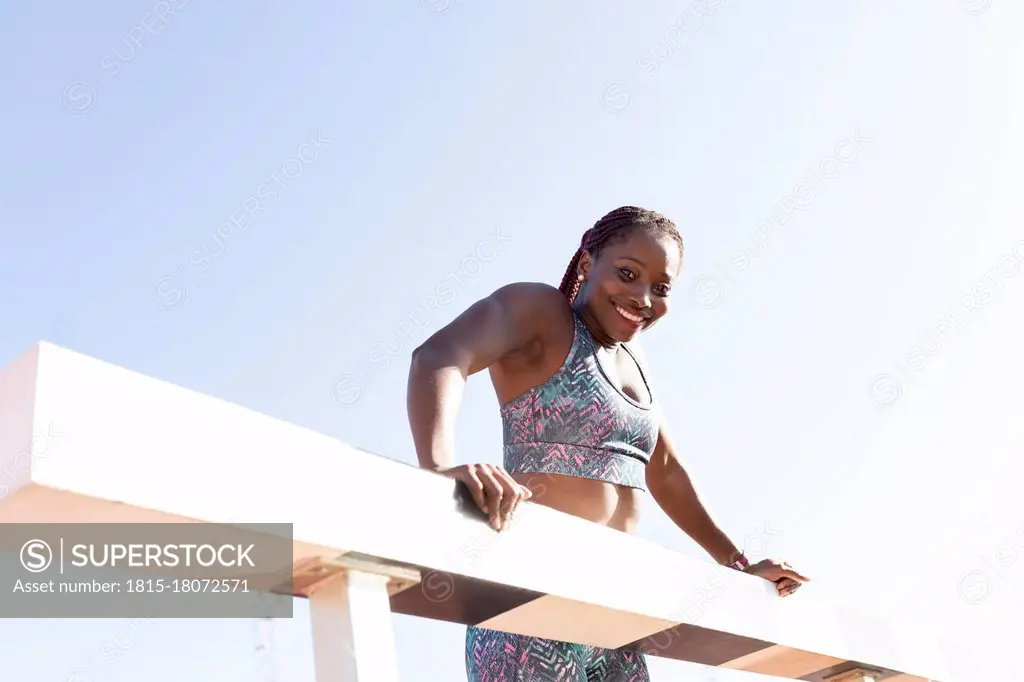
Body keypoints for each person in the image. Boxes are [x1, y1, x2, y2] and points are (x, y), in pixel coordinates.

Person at [406, 206, 810, 681]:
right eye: (627, 273)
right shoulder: (541, 313)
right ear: (585, 265)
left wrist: (737, 564)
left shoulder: (633, 363)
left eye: (661, 288)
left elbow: (665, 470)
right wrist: (437, 470)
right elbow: (438, 356)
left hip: (616, 621)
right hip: (530, 605)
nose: (643, 297)